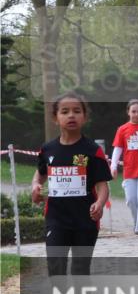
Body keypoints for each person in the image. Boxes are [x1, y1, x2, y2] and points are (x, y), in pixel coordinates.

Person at [31, 92, 112, 276]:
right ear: (55, 117)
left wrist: (99, 203)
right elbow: (40, 174)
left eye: (77, 111)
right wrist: (35, 186)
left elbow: (102, 186)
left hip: (85, 220)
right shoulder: (48, 149)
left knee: (80, 270)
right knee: (55, 266)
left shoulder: (92, 150)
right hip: (56, 219)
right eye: (65, 111)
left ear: (85, 117)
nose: (71, 115)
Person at [111, 99, 138, 237]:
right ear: (128, 112)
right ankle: (137, 223)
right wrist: (113, 165)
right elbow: (118, 149)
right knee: (131, 200)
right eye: (133, 111)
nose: (136, 114)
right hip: (129, 170)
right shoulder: (122, 129)